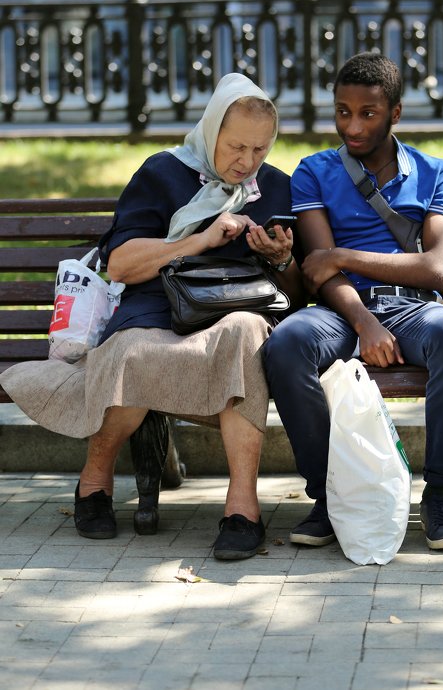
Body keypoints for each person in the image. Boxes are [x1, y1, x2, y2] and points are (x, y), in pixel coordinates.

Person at [0, 72, 303, 560]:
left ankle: (243, 507)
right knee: (133, 349)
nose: (246, 162)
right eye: (235, 146)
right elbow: (121, 263)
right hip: (155, 304)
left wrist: (281, 258)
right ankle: (94, 481)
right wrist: (201, 239)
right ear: (211, 131)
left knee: (248, 334)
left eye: (260, 150)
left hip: (233, 309)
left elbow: (297, 291)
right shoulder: (163, 172)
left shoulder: (274, 188)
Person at [263, 52, 443, 552]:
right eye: (342, 111)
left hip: (414, 308)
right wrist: (362, 322)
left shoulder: (436, 172)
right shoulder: (313, 171)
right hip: (340, 311)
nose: (352, 125)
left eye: (367, 113)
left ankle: (440, 495)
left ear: (395, 114)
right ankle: (327, 496)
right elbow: (317, 269)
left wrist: (342, 253)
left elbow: (437, 270)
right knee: (288, 342)